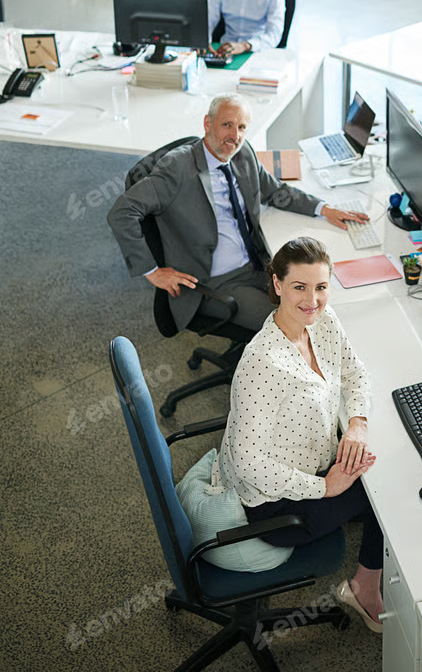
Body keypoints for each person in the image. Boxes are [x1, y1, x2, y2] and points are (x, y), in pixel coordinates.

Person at [219, 236, 384, 633]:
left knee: (373, 469)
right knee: (387, 496)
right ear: (276, 285)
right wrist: (324, 488)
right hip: (276, 505)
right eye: (299, 287)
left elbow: (355, 372)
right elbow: (249, 465)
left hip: (315, 462)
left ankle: (364, 561)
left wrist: (358, 422)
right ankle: (363, 589)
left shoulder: (323, 322)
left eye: (321, 287)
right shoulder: (261, 363)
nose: (312, 300)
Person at [107, 94, 368, 331]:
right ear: (207, 124)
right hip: (214, 282)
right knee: (296, 324)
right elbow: (122, 212)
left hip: (258, 264)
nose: (235, 135)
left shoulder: (243, 154)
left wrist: (323, 208)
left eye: (242, 127)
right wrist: (152, 271)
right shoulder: (177, 168)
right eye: (227, 125)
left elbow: (273, 190)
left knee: (319, 303)